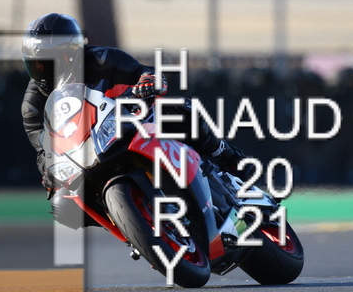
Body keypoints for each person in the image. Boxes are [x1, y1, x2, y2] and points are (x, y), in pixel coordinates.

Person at [21, 13, 252, 228]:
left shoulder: (101, 59)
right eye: (36, 65)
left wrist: (148, 82)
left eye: (49, 63)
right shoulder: (33, 106)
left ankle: (227, 156)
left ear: (72, 53)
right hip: (85, 153)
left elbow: (145, 72)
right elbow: (43, 151)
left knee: (179, 110)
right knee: (62, 206)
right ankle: (131, 228)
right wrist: (48, 171)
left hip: (129, 121)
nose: (42, 71)